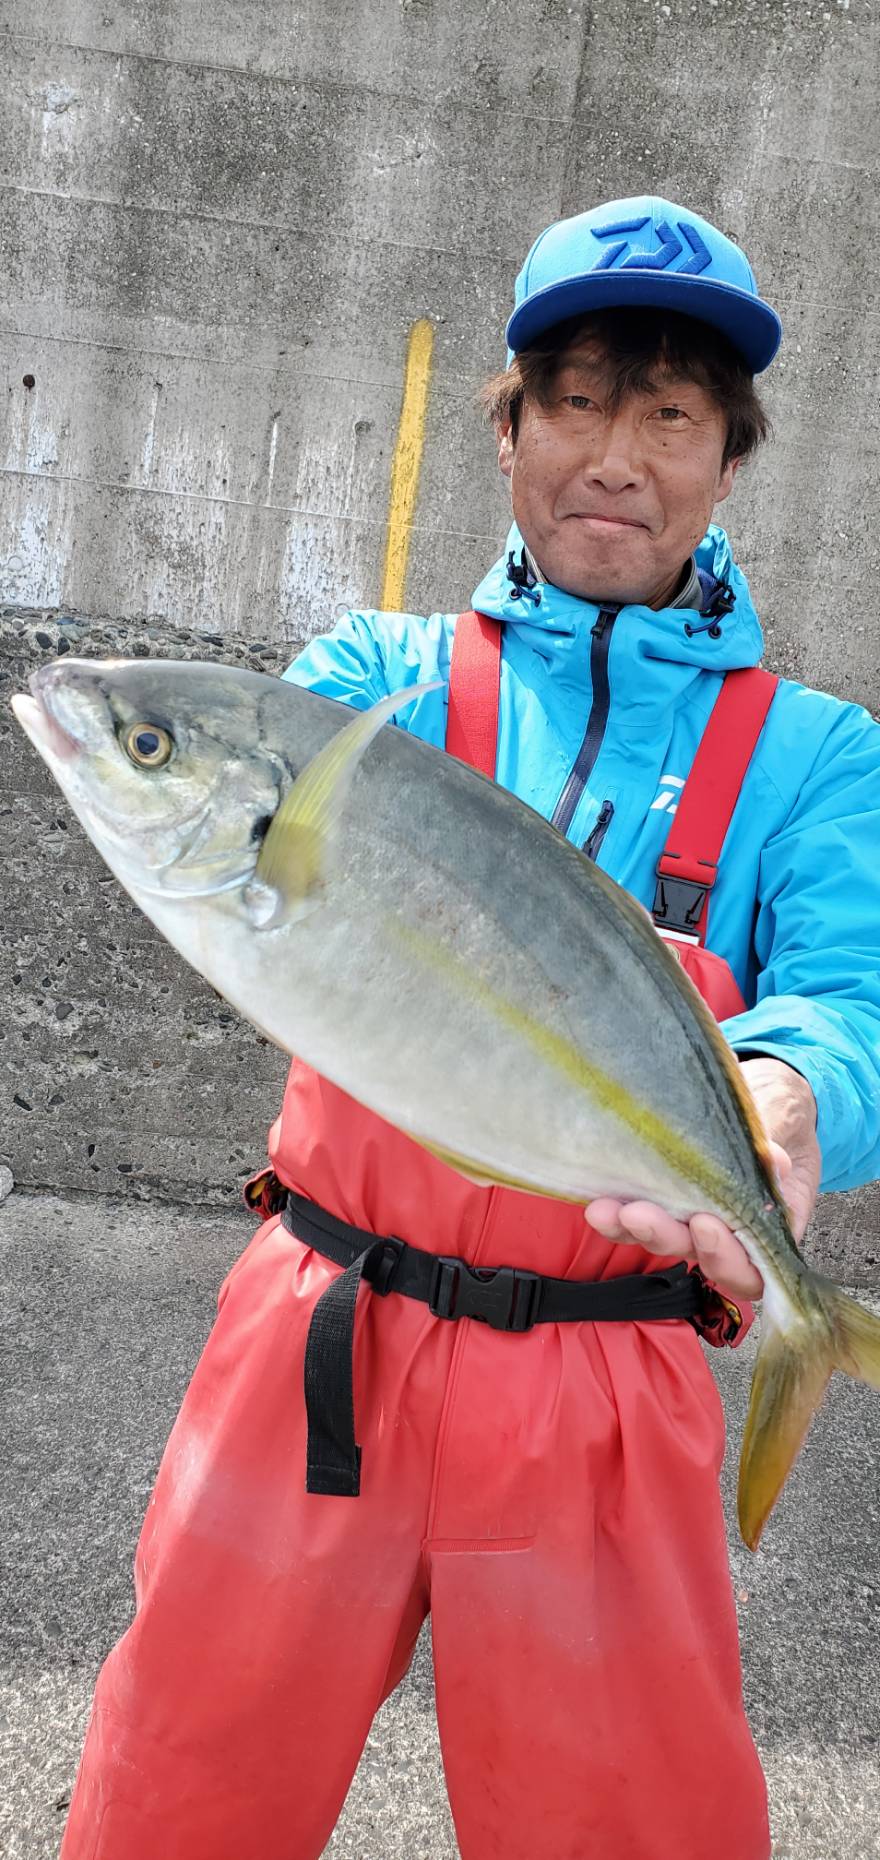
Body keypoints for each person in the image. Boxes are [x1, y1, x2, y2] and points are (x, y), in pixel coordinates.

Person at [60, 197, 880, 1860]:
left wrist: (793, 1093)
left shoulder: (816, 756)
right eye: (574, 401)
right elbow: (243, 870)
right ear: (505, 433)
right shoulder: (374, 682)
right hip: (321, 1331)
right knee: (179, 1792)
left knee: (628, 1829)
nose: (616, 458)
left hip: (606, 1371)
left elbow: (851, 999)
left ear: (730, 458)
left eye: (672, 415)